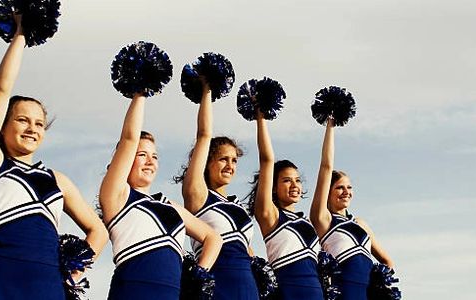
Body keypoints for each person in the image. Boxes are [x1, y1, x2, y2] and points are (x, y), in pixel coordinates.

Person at [0, 15, 108, 299]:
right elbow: (0, 89)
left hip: (49, 287)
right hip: (0, 281)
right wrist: (20, 33)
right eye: (22, 120)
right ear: (2, 126)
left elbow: (98, 231)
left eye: (39, 123)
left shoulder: (57, 180)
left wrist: (73, 273)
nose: (32, 128)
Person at [99, 92, 223, 300]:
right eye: (142, 155)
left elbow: (213, 239)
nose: (150, 161)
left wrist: (197, 278)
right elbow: (129, 138)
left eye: (154, 156)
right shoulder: (118, 196)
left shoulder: (169, 206)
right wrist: (141, 92)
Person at [174, 82, 259, 299]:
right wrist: (207, 90)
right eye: (223, 159)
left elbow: (248, 252)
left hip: (249, 290)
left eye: (234, 160)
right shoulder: (198, 195)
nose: (230, 166)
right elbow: (204, 135)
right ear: (206, 162)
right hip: (217, 288)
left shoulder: (237, 206)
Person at [309, 119, 395, 300]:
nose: (346, 192)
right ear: (327, 192)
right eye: (339, 187)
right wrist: (330, 126)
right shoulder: (323, 220)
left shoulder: (360, 223)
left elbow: (387, 262)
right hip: (344, 293)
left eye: (349, 187)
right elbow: (326, 167)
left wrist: (381, 288)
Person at [247, 110, 323, 299]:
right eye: (287, 181)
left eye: (297, 180)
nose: (295, 185)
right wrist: (260, 117)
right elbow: (267, 160)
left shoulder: (306, 224)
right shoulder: (269, 215)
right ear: (273, 187)